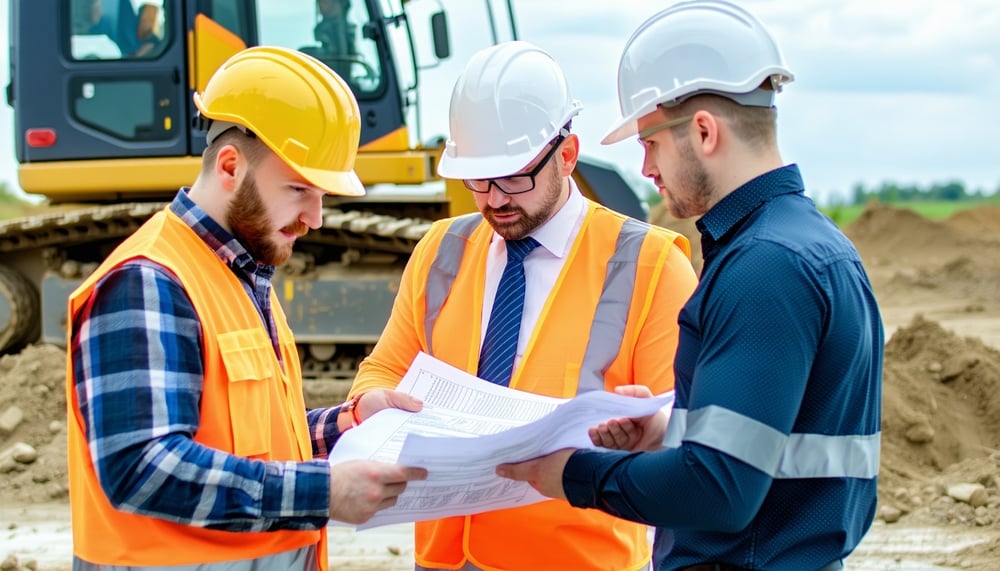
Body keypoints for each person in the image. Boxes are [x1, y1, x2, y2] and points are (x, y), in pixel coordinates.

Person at [496, 2, 884, 570]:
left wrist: (571, 475)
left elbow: (721, 488)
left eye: (650, 143)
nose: (647, 169)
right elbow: (775, 441)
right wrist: (667, 429)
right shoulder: (813, 247)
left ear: (703, 131)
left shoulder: (765, 268)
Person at [66, 46, 427, 570]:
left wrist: (349, 423)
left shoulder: (240, 275)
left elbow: (251, 440)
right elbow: (141, 468)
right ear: (231, 166)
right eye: (300, 189)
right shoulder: (148, 280)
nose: (316, 218)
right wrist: (321, 492)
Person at [348, 40, 698, 571]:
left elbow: (685, 435)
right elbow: (382, 369)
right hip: (446, 560)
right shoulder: (440, 252)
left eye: (513, 176)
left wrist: (645, 428)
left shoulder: (651, 265)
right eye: (477, 179)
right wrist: (370, 402)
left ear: (567, 154)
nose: (493, 199)